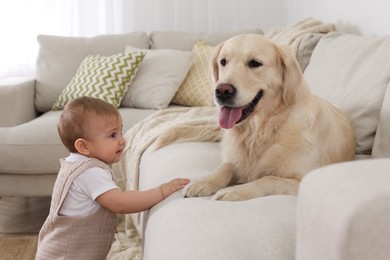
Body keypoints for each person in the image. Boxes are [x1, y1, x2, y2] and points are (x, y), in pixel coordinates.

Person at [36, 96, 190, 259]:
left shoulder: (73, 165)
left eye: (120, 131)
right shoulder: (91, 173)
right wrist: (161, 191)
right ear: (83, 146)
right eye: (112, 135)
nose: (122, 140)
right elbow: (120, 203)